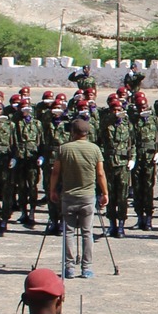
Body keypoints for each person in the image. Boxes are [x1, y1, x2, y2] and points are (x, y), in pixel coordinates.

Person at [49, 117, 106, 279]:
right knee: (87, 232)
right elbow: (100, 173)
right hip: (88, 196)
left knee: (69, 232)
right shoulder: (95, 149)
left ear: (73, 132)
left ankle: (69, 267)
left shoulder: (63, 149)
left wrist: (52, 190)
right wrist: (105, 192)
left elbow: (55, 172)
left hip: (68, 196)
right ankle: (86, 267)